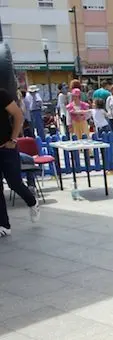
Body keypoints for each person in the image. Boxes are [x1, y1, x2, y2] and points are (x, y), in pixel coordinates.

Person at [0, 88, 40, 237]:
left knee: (14, 183)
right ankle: (4, 225)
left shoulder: (2, 94)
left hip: (6, 147)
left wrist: (14, 139)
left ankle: (32, 202)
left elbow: (18, 115)